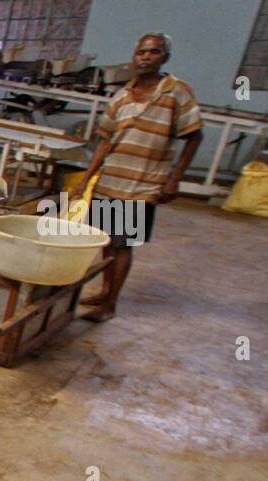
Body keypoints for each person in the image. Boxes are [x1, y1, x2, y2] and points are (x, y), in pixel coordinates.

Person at [77, 32, 202, 321]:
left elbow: (194, 136)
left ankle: (110, 305)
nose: (146, 57)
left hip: (143, 184)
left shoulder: (176, 92)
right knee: (107, 240)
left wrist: (174, 179)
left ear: (165, 58)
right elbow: (105, 141)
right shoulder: (121, 96)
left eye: (154, 52)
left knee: (122, 244)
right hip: (111, 181)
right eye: (141, 52)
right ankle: (104, 291)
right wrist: (86, 180)